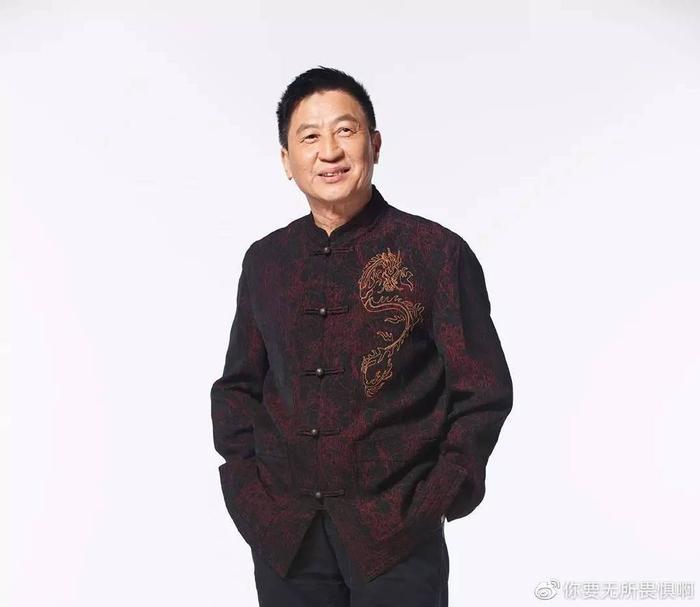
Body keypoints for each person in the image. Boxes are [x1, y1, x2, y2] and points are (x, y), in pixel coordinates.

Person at [210, 66, 513, 606]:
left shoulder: (435, 253)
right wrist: (247, 491)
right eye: (309, 137)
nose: (329, 151)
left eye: (345, 131)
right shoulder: (265, 261)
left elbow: (482, 391)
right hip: (286, 536)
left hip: (396, 535)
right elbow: (238, 388)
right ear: (286, 161)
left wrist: (435, 498)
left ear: (374, 143)